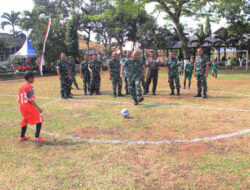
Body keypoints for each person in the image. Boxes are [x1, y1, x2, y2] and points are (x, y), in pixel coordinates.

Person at [18, 71, 46, 142]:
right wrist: (38, 108)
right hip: (28, 106)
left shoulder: (21, 87)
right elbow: (31, 100)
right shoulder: (30, 87)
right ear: (30, 78)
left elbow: (19, 98)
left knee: (25, 119)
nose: (34, 79)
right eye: (33, 78)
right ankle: (37, 137)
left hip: (22, 106)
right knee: (39, 119)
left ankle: (22, 136)